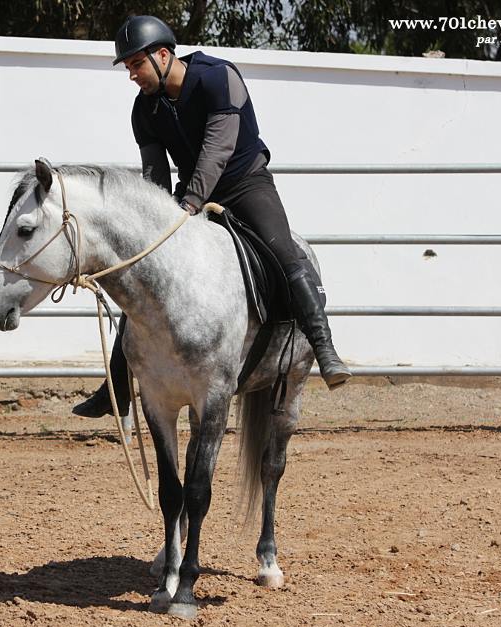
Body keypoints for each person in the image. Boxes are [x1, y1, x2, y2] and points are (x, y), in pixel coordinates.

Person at [72, 15, 351, 418]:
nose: (131, 75)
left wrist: (189, 204)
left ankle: (325, 348)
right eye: (128, 67)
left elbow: (218, 149)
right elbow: (153, 172)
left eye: (136, 64)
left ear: (163, 55)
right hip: (191, 194)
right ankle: (115, 383)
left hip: (245, 184)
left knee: (286, 254)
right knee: (145, 279)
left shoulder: (218, 77)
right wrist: (154, 218)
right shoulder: (143, 110)